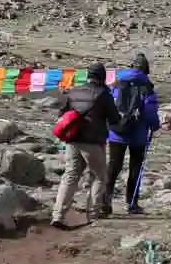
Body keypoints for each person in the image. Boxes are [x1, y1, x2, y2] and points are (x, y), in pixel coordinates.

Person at [51, 62, 120, 227]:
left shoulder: (74, 91)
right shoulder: (103, 93)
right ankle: (93, 215)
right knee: (99, 176)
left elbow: (62, 113)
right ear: (102, 77)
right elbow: (114, 118)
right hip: (93, 142)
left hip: (72, 141)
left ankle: (58, 215)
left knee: (70, 175)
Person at [104, 53, 160, 215]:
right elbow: (150, 111)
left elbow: (110, 104)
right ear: (145, 69)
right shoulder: (147, 87)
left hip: (116, 133)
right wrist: (154, 125)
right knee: (135, 168)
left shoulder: (117, 82)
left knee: (113, 167)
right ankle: (132, 203)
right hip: (138, 134)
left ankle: (105, 202)